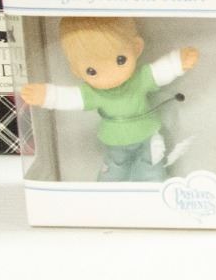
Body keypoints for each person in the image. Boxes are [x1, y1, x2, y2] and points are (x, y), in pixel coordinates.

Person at [20, 17, 199, 182]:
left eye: (120, 60)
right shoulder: (94, 93)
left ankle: (152, 193)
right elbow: (70, 97)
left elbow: (159, 71)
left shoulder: (139, 79)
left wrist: (177, 62)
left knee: (152, 166)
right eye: (92, 71)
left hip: (147, 135)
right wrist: (47, 95)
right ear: (75, 70)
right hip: (115, 141)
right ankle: (108, 196)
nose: (110, 76)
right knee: (113, 171)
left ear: (136, 47)